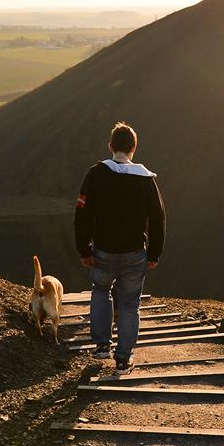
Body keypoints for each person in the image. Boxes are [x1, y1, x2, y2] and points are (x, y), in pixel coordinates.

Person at [73, 122, 166, 375]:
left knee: (101, 291)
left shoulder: (96, 174)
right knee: (129, 304)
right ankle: (123, 360)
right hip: (135, 253)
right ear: (134, 148)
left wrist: (84, 249)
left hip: (103, 251)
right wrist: (154, 253)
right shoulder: (146, 180)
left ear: (111, 146)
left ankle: (102, 345)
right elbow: (158, 218)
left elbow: (82, 212)